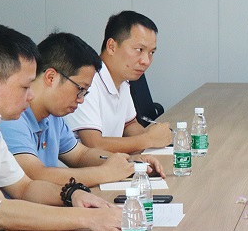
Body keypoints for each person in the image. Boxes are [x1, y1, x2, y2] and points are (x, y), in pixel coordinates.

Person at [0, 26, 121, 231]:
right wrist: (87, 218)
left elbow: (25, 187)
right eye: (25, 87)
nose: (31, 96)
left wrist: (72, 194)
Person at [0, 32, 166, 187]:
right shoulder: (12, 117)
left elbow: (80, 155)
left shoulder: (53, 118)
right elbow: (36, 175)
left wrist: (131, 163)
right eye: (80, 89)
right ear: (51, 77)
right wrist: (104, 173)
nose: (81, 99)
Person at [64, 10, 172, 154]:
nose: (146, 61)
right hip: (83, 167)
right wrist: (148, 139)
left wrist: (155, 140)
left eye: (151, 52)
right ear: (111, 47)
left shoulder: (123, 79)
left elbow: (129, 124)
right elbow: (94, 145)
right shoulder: (87, 82)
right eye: (139, 50)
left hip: (110, 163)